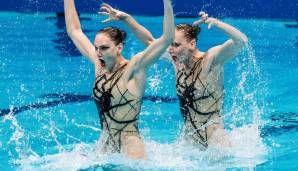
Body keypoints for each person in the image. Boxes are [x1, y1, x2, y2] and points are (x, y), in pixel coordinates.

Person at [109, 8, 248, 149]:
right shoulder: (178, 64)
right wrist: (126, 19)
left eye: (175, 45)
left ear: (192, 44)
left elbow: (241, 41)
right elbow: (150, 42)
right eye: (170, 44)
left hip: (216, 140)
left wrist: (218, 23)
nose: (170, 49)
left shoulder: (210, 60)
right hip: (190, 142)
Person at [63, 0, 174, 159]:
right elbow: (74, 30)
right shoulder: (99, 66)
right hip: (105, 144)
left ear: (119, 48)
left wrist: (167, 4)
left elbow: (167, 39)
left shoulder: (135, 67)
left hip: (131, 146)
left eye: (104, 48)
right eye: (96, 48)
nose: (98, 53)